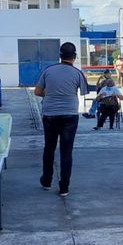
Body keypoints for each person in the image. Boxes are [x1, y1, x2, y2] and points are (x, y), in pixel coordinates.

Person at [34, 41, 89, 196]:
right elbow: (84, 92)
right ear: (75, 56)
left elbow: (37, 92)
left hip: (50, 115)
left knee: (49, 148)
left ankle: (46, 181)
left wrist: (50, 93)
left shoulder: (48, 71)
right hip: (70, 116)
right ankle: (64, 187)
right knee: (66, 151)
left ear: (60, 55)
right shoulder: (77, 73)